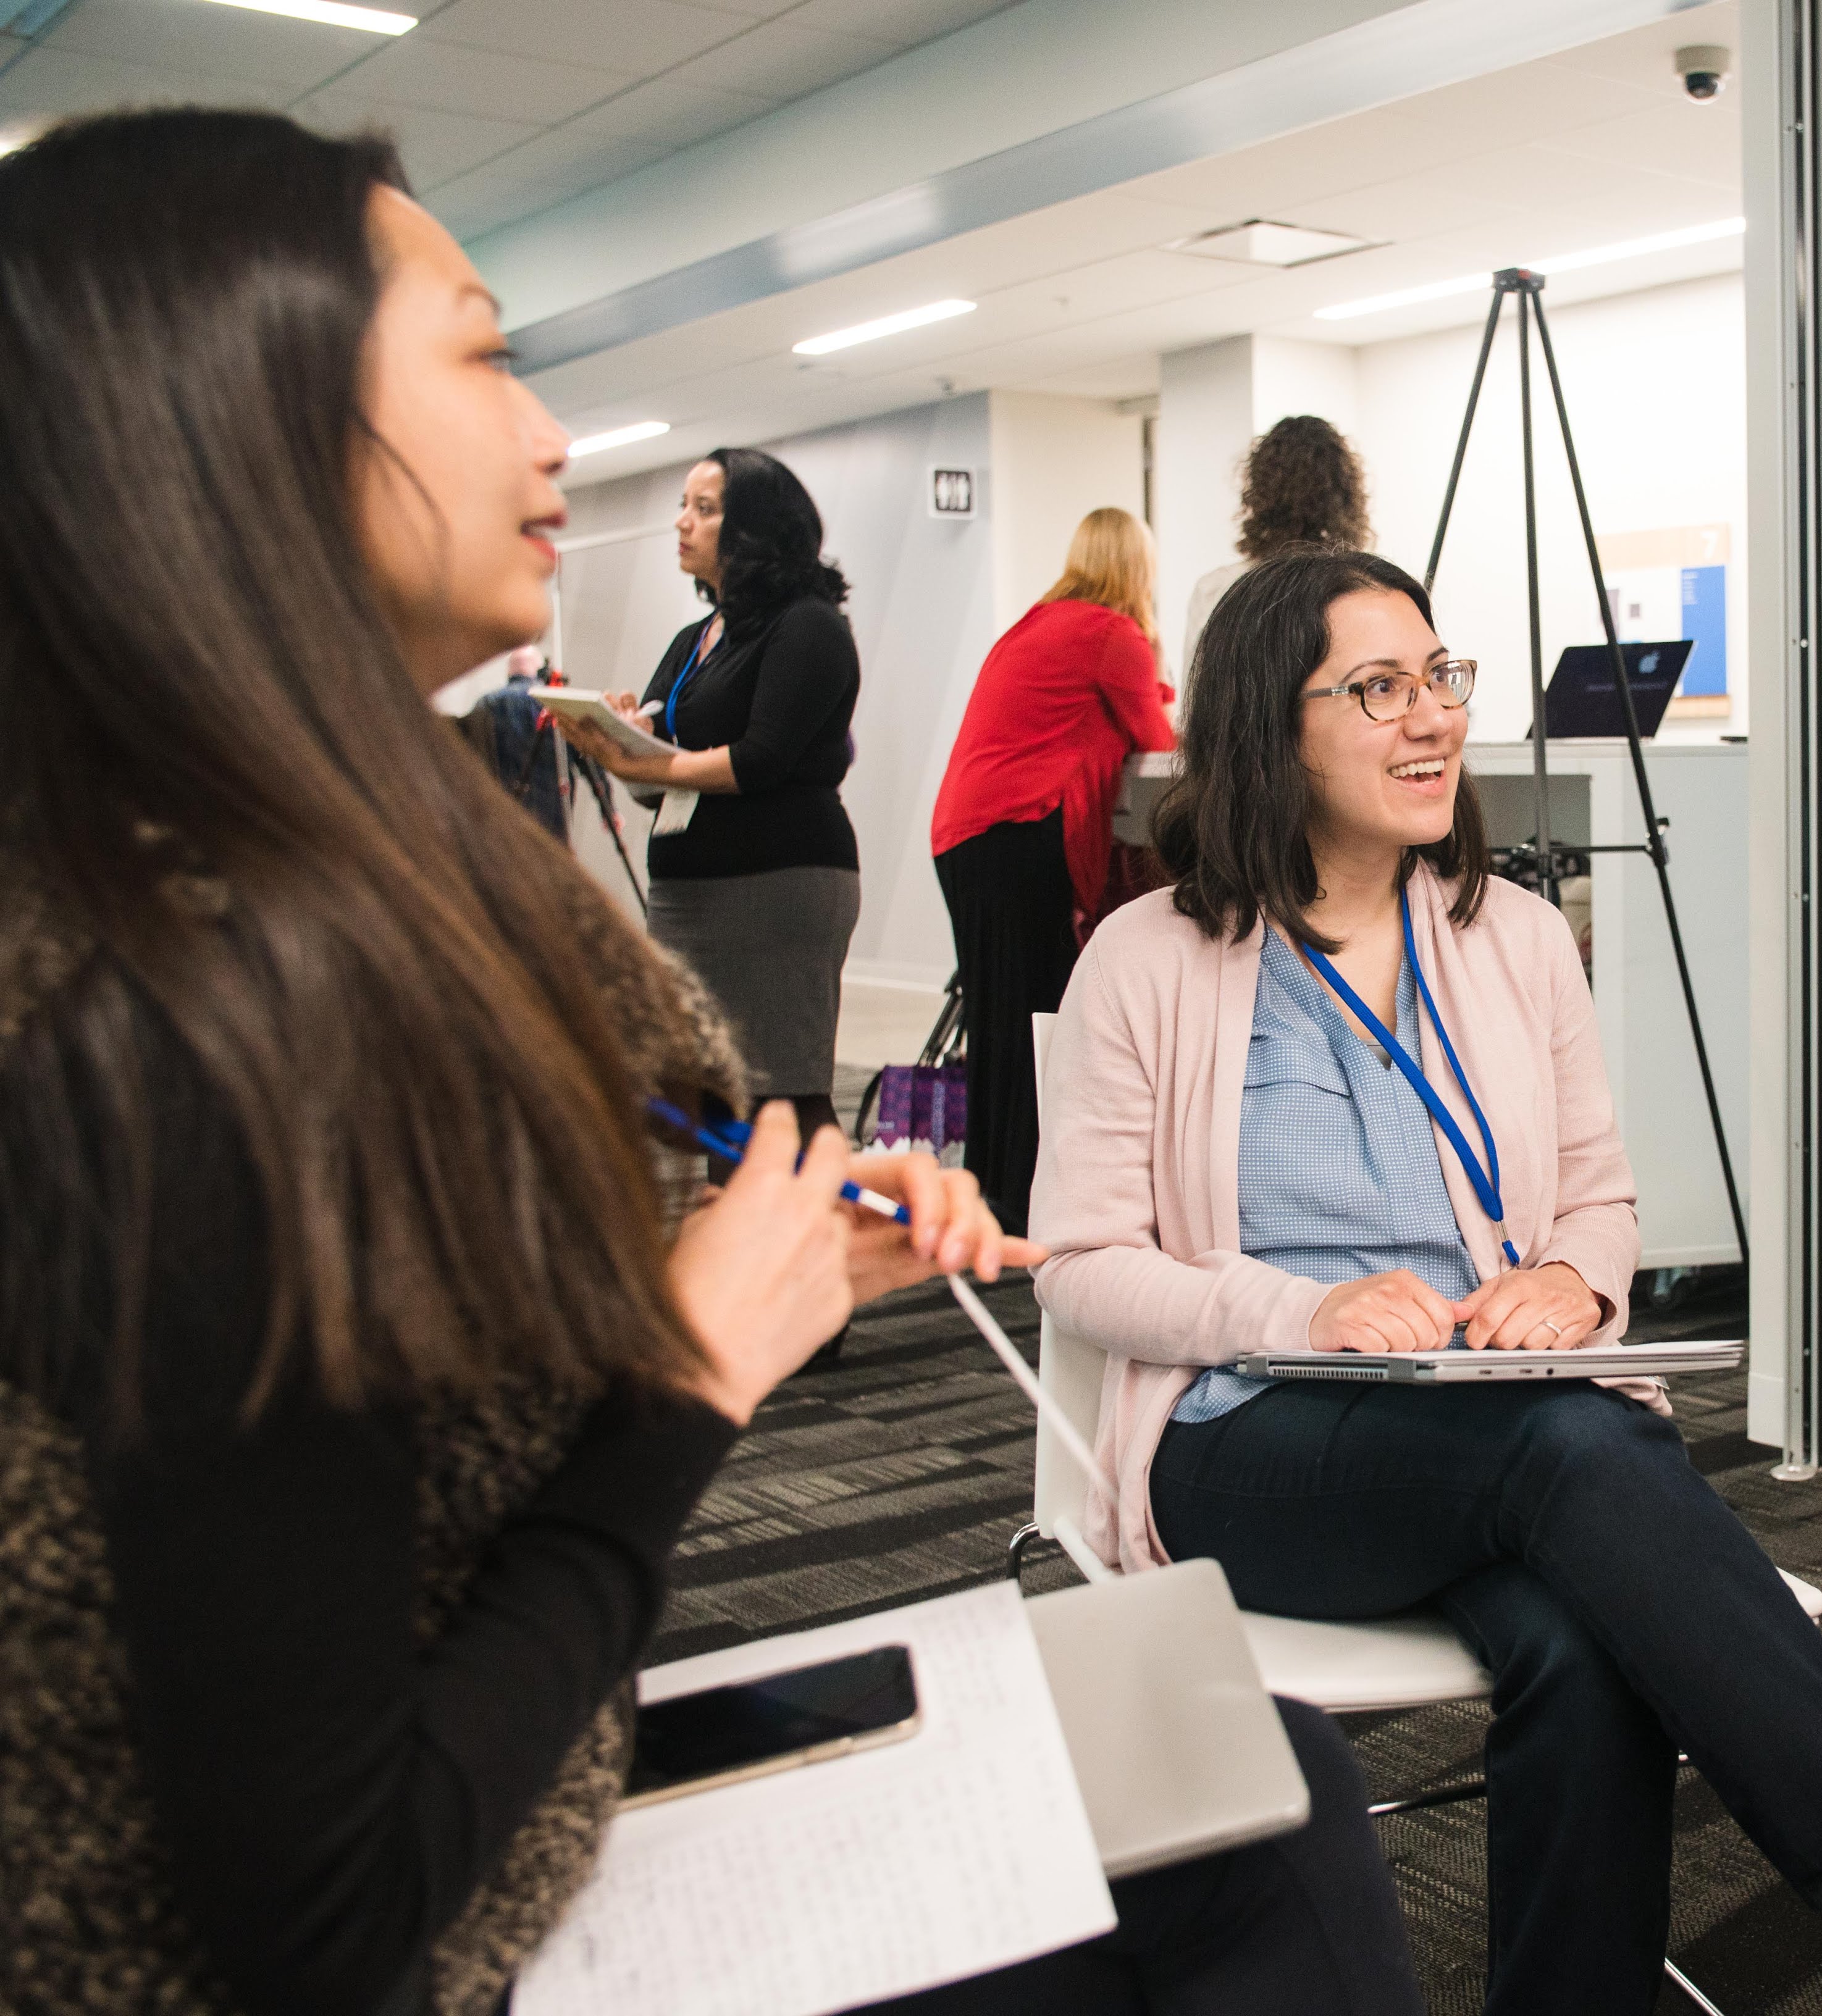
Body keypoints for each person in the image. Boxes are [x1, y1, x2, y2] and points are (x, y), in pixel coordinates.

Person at [0, 107, 1425, 2016]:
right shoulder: (188, 1008)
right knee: (1243, 1831)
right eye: (482, 354)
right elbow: (320, 1924)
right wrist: (686, 1369)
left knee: (1253, 1769)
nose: (553, 436)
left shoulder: (322, 881)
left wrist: (732, 1263)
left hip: (493, 1775)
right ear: (240, 416)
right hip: (391, 1927)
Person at [1030, 548, 1822, 2016]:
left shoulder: (1508, 936)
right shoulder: (1150, 954)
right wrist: (1292, 1309)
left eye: (1441, 677)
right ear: (1268, 723)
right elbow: (1081, 1266)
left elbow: (1599, 1202)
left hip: (1484, 1416)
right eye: (1377, 687)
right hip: (1247, 1436)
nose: (1430, 716)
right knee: (1577, 1452)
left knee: (1580, 1635)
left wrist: (1571, 1282)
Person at [555, 446, 862, 1147]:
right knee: (702, 1093)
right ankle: (739, 1238)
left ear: (753, 527)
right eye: (682, 505)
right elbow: (659, 780)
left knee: (779, 1089)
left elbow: (758, 761)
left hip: (778, 882)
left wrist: (648, 762)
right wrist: (619, 744)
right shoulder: (697, 638)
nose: (681, 523)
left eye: (704, 508)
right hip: (691, 887)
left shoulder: (807, 625)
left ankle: (825, 1238)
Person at [931, 506, 1177, 1224]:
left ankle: (994, 1183)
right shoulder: (1113, 633)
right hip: (1019, 828)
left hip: (967, 830)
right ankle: (1027, 1194)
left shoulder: (1041, 623)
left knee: (996, 1016)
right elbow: (1156, 735)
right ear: (1137, 569)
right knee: (1041, 1013)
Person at [1178, 415, 1371, 675]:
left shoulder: (1217, 589)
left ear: (1260, 493)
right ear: (1344, 495)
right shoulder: (1363, 589)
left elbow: (1195, 697)